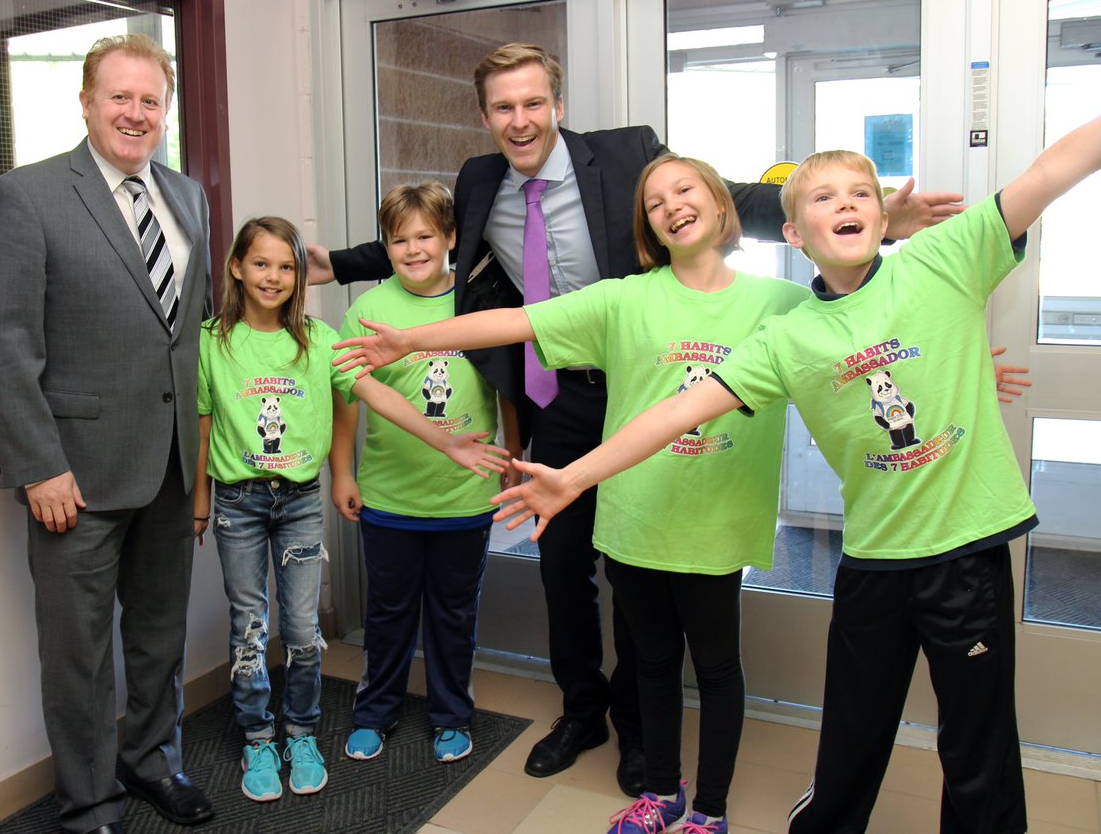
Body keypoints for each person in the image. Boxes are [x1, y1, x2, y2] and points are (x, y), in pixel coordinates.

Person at [308, 41, 965, 795]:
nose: (519, 121)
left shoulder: (627, 154)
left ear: (556, 103)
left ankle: (641, 733)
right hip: (563, 388)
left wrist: (873, 221)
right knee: (562, 564)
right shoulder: (480, 176)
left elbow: (725, 197)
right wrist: (341, 265)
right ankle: (582, 709)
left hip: (646, 376)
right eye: (502, 108)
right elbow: (428, 240)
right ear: (485, 114)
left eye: (532, 104)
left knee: (635, 563)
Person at [489, 115, 1101, 833]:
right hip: (873, 558)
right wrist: (575, 477)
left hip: (967, 555)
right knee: (850, 735)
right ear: (793, 234)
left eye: (861, 193)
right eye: (824, 197)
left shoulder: (944, 258)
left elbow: (1052, 170)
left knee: (978, 745)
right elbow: (677, 412)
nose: (846, 203)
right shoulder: (788, 332)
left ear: (883, 215)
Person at [333, 154, 808, 833]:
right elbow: (513, 325)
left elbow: (861, 327)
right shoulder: (625, 297)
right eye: (654, 202)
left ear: (722, 204)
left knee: (716, 668)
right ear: (645, 225)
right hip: (635, 517)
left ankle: (709, 808)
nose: (671, 205)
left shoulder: (779, 302)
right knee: (649, 665)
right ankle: (660, 793)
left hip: (717, 523)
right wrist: (410, 338)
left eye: (686, 190)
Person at [0, 34, 214, 834]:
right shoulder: (27, 195)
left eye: (150, 100)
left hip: (171, 466)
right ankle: (88, 802)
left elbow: (184, 334)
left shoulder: (186, 195)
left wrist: (202, 463)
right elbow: (2, 342)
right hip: (74, 474)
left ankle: (150, 762)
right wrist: (38, 466)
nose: (135, 113)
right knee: (77, 658)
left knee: (156, 639)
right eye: (120, 97)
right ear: (85, 101)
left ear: (164, 111)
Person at [193, 216, 507, 804]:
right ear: (236, 267)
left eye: (286, 266)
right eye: (260, 264)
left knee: (305, 630)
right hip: (238, 501)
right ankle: (259, 737)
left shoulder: (319, 339)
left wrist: (446, 441)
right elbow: (204, 421)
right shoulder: (211, 340)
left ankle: (303, 732)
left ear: (301, 276)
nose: (274, 276)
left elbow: (373, 394)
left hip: (303, 503)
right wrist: (200, 501)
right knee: (250, 626)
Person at [336, 183, 520, 766]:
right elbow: (347, 398)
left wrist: (515, 457)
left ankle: (450, 714)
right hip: (391, 495)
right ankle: (375, 711)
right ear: (385, 247)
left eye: (424, 237)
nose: (413, 249)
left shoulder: (478, 303)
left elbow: (507, 389)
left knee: (453, 611)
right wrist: (343, 473)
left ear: (450, 239)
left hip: (465, 498)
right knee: (387, 611)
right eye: (399, 240)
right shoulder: (367, 312)